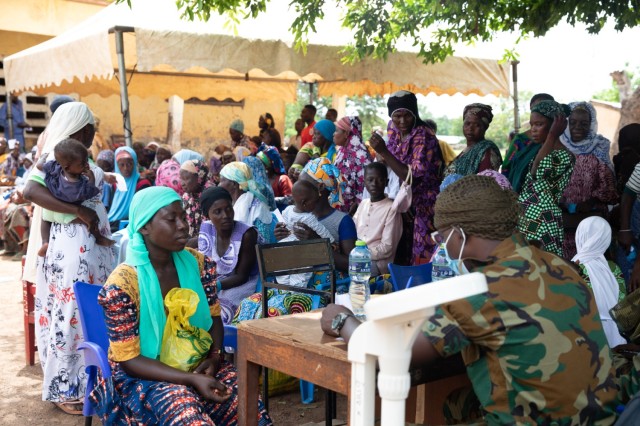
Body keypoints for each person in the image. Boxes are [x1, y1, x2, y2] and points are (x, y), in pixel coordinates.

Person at [321, 175, 618, 425]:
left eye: (441, 236)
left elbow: (391, 353)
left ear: (460, 234)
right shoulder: (560, 265)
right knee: (455, 403)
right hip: (596, 415)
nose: (441, 244)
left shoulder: (479, 290)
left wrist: (342, 319)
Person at [89, 186, 272, 424]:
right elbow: (130, 360)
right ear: (144, 227)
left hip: (197, 364)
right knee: (185, 412)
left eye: (183, 217)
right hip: (143, 377)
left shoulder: (199, 265)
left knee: (249, 407)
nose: (183, 225)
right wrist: (190, 380)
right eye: (171, 219)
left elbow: (214, 318)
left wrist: (215, 358)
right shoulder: (123, 285)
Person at [23, 101, 115, 414]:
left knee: (80, 314)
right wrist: (77, 210)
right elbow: (30, 192)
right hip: (73, 250)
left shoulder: (74, 157)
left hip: (86, 250)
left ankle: (89, 382)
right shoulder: (57, 157)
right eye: (91, 128)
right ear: (84, 128)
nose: (93, 134)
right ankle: (68, 390)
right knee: (71, 316)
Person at [368, 90, 444, 265]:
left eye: (407, 116)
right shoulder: (392, 129)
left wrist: (384, 152)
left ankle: (422, 288)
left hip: (424, 203)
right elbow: (394, 161)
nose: (402, 121)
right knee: (399, 250)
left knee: (421, 253)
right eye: (397, 116)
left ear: (415, 113)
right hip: (400, 198)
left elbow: (412, 177)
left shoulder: (424, 135)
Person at [275, 158, 357, 282]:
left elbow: (353, 265)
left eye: (304, 183)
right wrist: (284, 237)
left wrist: (317, 242)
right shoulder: (295, 216)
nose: (298, 188)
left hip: (326, 288)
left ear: (320, 187)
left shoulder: (342, 221)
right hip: (296, 283)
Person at [560, 102, 618, 259]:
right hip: (562, 223)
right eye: (572, 122)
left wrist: (590, 203)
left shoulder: (599, 147)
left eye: (584, 123)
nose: (578, 127)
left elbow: (610, 190)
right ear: (566, 123)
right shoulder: (557, 147)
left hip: (591, 222)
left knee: (588, 266)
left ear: (591, 125)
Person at [517, 100, 574, 257]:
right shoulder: (541, 150)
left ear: (554, 125)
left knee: (541, 268)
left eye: (539, 124)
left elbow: (537, 171)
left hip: (543, 220)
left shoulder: (564, 155)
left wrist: (552, 135)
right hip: (528, 219)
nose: (533, 129)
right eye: (532, 124)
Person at [39, 138, 114, 256]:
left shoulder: (55, 167)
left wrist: (42, 158)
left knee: (44, 219)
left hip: (51, 210)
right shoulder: (76, 186)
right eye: (82, 163)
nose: (86, 164)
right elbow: (91, 192)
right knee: (93, 219)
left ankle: (45, 242)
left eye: (86, 160)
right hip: (69, 214)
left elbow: (40, 166)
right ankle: (99, 237)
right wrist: (92, 178)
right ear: (68, 167)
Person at [198, 186, 260, 324]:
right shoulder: (207, 229)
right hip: (215, 281)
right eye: (217, 212)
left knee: (222, 308)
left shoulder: (247, 234)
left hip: (242, 283)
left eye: (228, 209)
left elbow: (242, 276)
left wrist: (215, 286)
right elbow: (192, 243)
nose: (225, 215)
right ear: (207, 215)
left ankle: (228, 344)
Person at [572, 216, 626, 348]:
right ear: (605, 239)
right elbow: (622, 301)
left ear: (580, 235)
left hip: (585, 338)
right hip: (616, 337)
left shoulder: (572, 268)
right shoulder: (613, 268)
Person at [278, 179, 335, 287]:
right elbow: (325, 235)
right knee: (301, 275)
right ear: (305, 203)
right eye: (315, 202)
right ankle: (297, 291)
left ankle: (283, 289)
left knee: (283, 273)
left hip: (285, 248)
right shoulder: (309, 218)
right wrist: (332, 241)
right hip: (302, 252)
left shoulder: (288, 210)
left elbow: (283, 224)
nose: (316, 205)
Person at [353, 162, 402, 275]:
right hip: (356, 256)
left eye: (379, 180)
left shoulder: (391, 208)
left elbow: (387, 247)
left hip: (377, 263)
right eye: (370, 180)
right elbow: (354, 233)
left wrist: (361, 254)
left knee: (356, 270)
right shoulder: (363, 204)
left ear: (386, 182)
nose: (374, 184)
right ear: (364, 182)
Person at [502, 93, 555, 193]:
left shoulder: (558, 143)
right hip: (516, 195)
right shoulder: (520, 140)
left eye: (544, 108)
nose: (539, 112)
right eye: (536, 108)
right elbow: (506, 168)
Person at [219, 162, 275, 244]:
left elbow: (264, 242)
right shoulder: (231, 204)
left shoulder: (258, 207)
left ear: (234, 184)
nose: (219, 185)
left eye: (222, 180)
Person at [444, 103, 502, 177]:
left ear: (485, 127)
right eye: (467, 123)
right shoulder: (466, 151)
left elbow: (485, 184)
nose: (470, 128)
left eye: (477, 125)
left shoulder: (487, 152)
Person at [333, 116, 372, 214]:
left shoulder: (360, 154)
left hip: (354, 211)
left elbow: (366, 186)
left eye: (337, 131)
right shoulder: (342, 150)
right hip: (339, 205)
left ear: (346, 133)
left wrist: (358, 205)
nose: (333, 134)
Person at [108, 146, 152, 232]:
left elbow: (142, 212)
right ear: (117, 166)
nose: (126, 168)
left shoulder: (142, 184)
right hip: (111, 223)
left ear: (135, 163)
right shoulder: (114, 184)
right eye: (121, 165)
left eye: (129, 164)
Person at [180, 159, 211, 242]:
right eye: (181, 178)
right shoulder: (186, 196)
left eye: (186, 178)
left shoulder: (210, 195)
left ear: (199, 177)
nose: (182, 183)